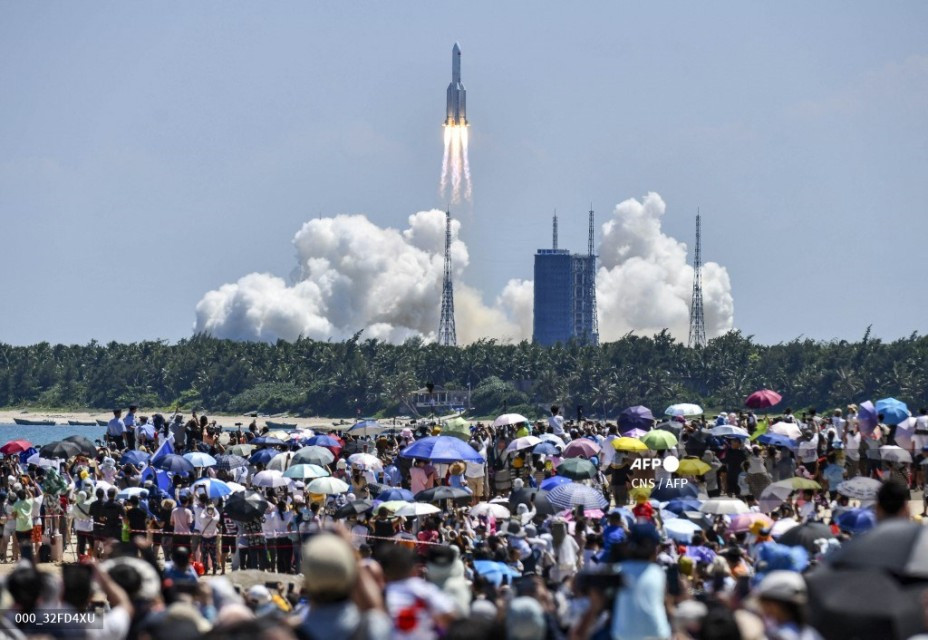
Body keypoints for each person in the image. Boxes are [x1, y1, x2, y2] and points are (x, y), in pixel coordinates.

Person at [295, 532, 391, 640]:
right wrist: (353, 555)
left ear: (307, 582)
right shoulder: (371, 628)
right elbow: (378, 612)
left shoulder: (289, 631)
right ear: (351, 576)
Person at [754, 571, 823, 640]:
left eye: (762, 601)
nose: (760, 606)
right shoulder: (812, 633)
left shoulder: (778, 636)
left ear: (774, 605)